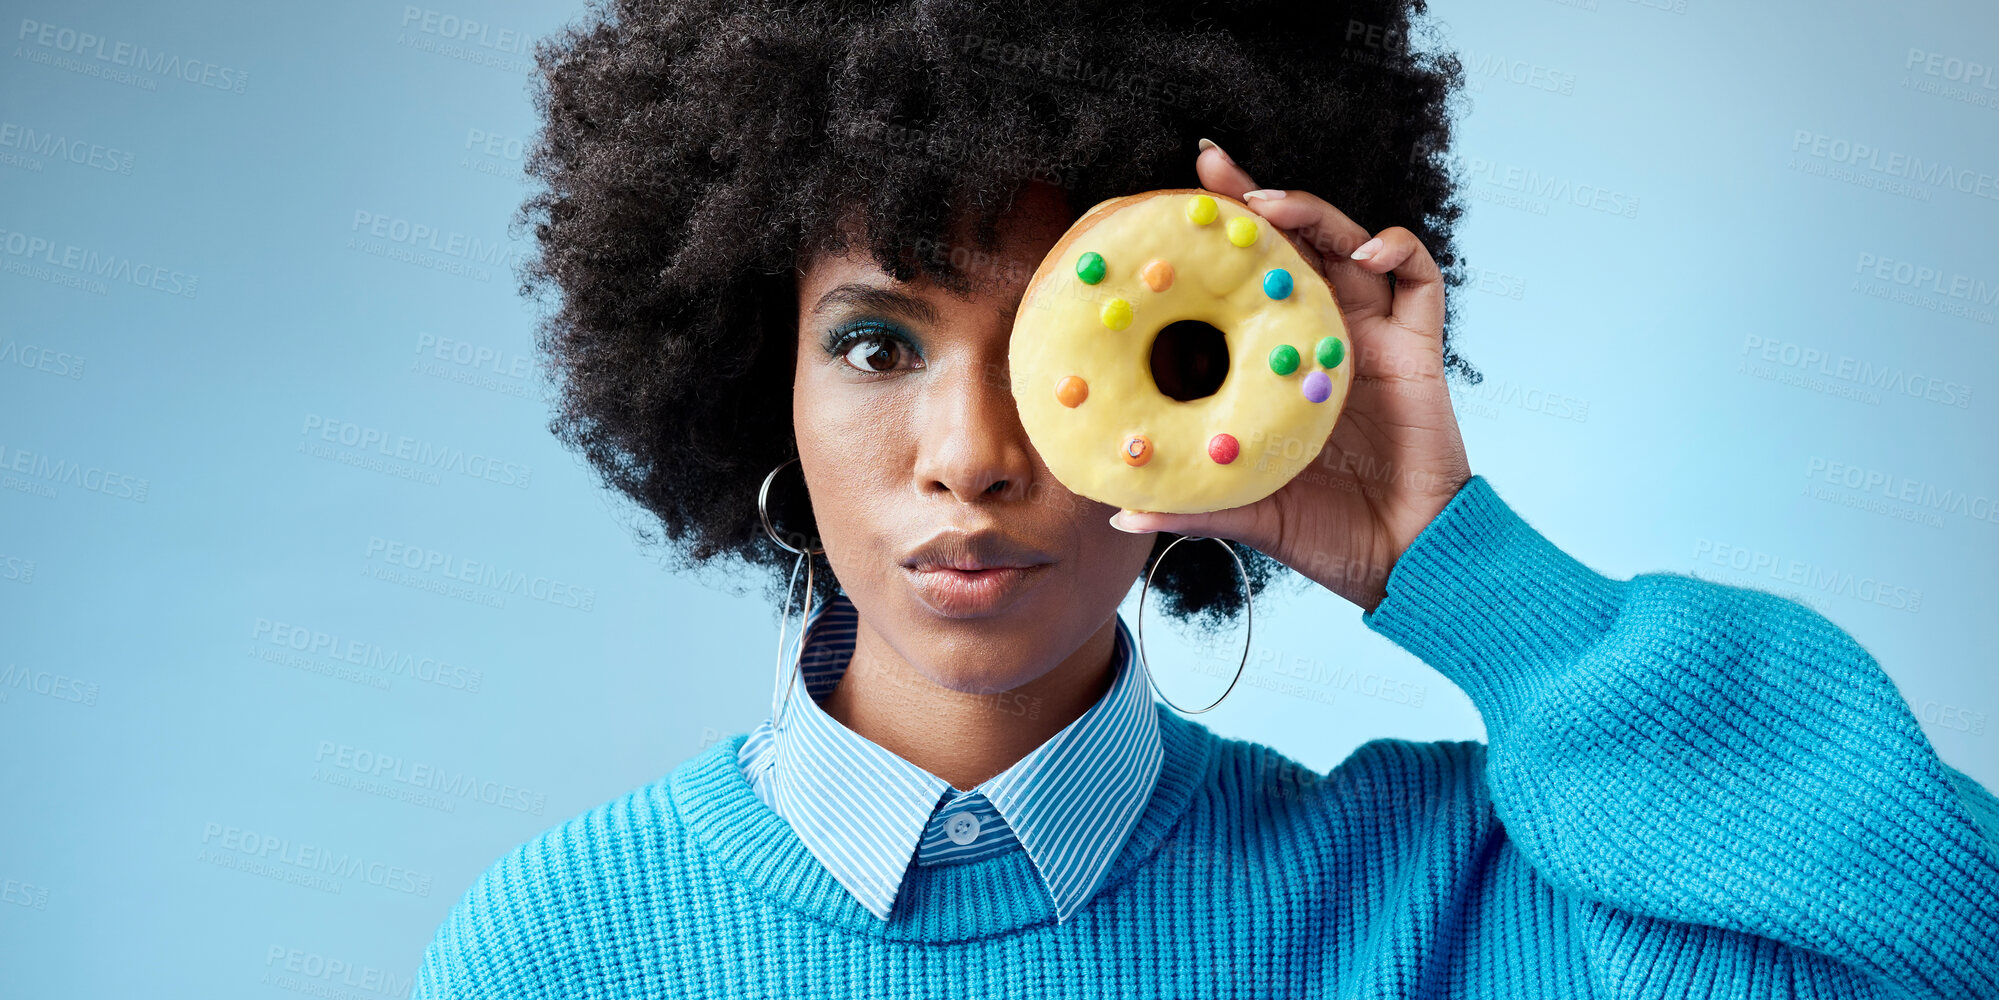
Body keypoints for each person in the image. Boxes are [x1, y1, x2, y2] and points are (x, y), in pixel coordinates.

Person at [411, 0, 1999, 995]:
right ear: (763, 376)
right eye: (879, 340)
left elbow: (1940, 948)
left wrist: (1448, 557)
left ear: (1198, 393)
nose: (970, 451)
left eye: (1061, 347)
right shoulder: (570, 946)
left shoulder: (1447, 901)